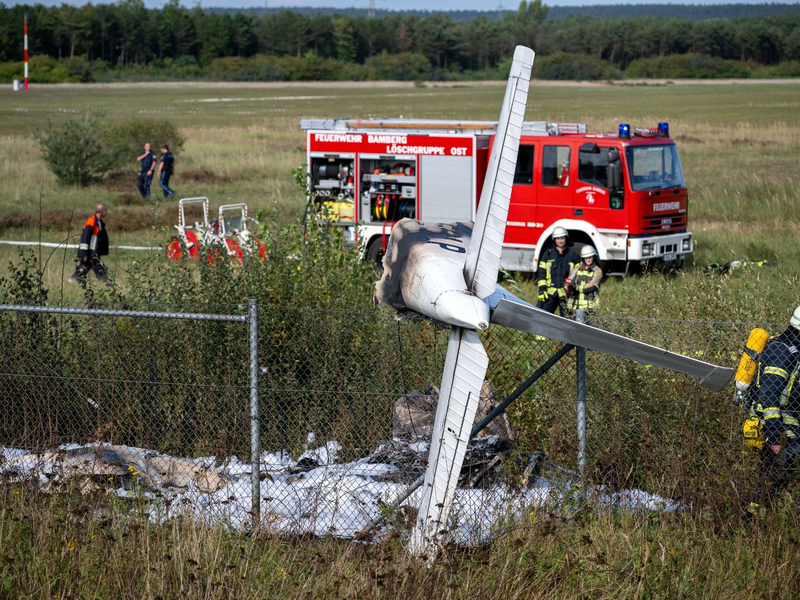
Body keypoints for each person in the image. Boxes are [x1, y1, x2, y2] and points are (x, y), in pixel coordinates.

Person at [747, 305, 800, 513]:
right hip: (775, 425)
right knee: (775, 473)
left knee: (773, 474)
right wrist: (773, 435)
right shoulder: (782, 351)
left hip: (788, 422)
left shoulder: (794, 350)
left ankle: (765, 512)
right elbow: (768, 395)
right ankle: (757, 515)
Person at [536, 226, 580, 316]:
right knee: (543, 317)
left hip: (566, 294)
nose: (560, 241)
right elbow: (541, 274)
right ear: (554, 240)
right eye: (558, 239)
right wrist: (542, 290)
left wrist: (573, 285)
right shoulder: (548, 254)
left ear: (566, 238)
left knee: (566, 320)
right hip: (550, 294)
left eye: (562, 238)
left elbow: (579, 273)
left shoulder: (573, 255)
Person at [69, 204, 109, 283]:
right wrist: (84, 253)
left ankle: (73, 279)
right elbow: (85, 237)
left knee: (86, 266)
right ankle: (106, 281)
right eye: (106, 211)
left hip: (93, 251)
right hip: (90, 251)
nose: (106, 213)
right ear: (102, 211)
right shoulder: (91, 221)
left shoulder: (99, 222)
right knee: (96, 266)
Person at [566, 245, 603, 315]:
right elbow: (570, 280)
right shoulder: (576, 269)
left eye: (590, 257)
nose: (588, 260)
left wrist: (576, 287)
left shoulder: (597, 271)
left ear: (594, 257)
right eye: (586, 258)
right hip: (575, 306)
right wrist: (568, 285)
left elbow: (592, 286)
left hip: (590, 307)